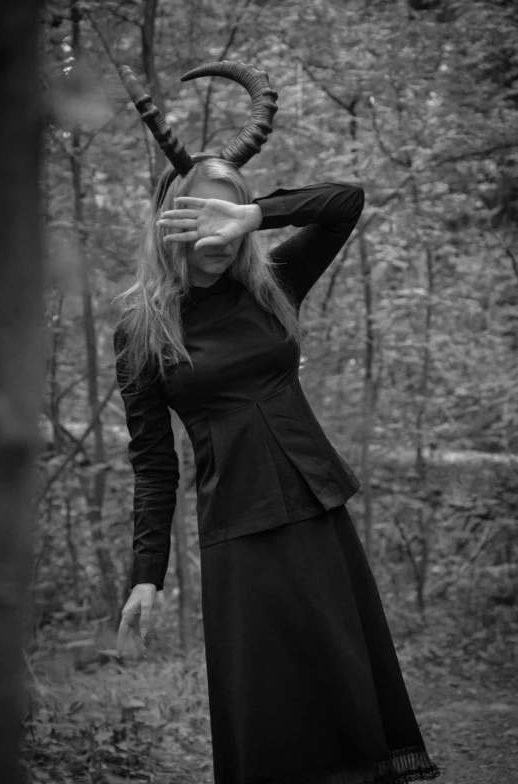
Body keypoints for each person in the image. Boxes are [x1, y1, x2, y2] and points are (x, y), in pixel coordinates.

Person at [114, 61, 440, 784]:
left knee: (343, 682)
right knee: (269, 704)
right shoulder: (143, 329)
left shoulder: (272, 284)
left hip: (314, 503)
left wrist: (253, 212)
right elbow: (152, 463)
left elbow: (343, 201)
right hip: (236, 520)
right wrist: (145, 575)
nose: (216, 225)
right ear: (170, 217)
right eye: (201, 208)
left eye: (226, 210)